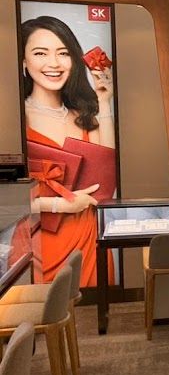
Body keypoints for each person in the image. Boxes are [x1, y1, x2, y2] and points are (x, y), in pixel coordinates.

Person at [20, 15, 115, 286]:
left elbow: (105, 176)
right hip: (40, 239)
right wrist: (58, 204)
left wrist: (104, 101)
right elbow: (7, 202)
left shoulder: (83, 114)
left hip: (87, 231)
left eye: (63, 53)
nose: (53, 63)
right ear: (24, 61)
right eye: (40, 53)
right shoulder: (15, 120)